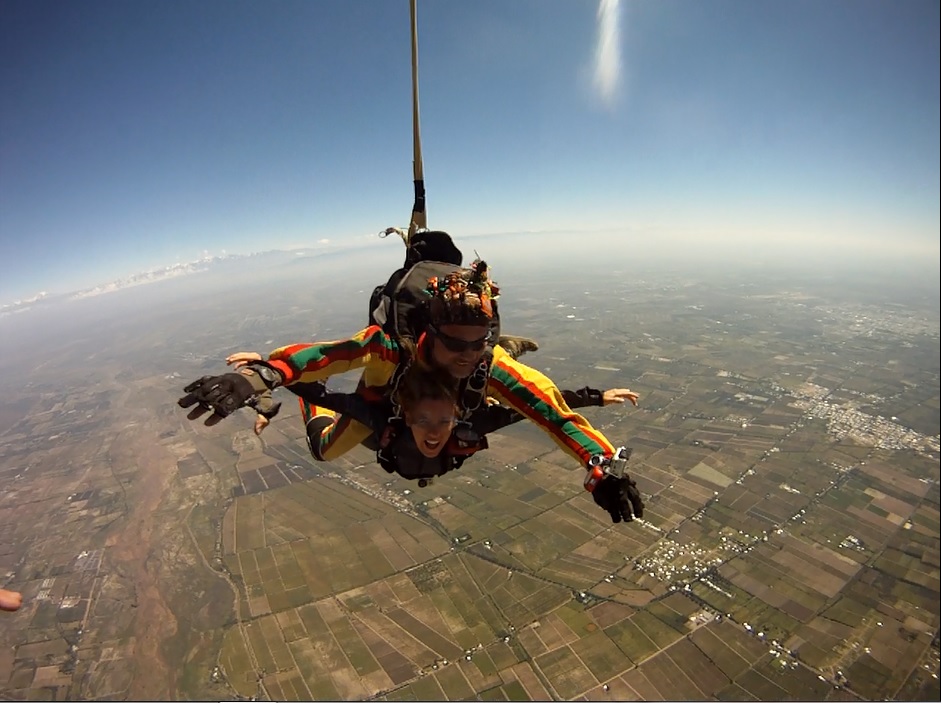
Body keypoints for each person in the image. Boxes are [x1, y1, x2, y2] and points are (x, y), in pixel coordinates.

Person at [179, 260, 644, 523]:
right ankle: (304, 399)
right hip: (380, 399)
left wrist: (602, 469)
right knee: (324, 449)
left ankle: (305, 392)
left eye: (477, 343)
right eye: (455, 343)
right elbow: (324, 355)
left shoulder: (489, 364)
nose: (466, 355)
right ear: (431, 332)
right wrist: (261, 375)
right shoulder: (391, 347)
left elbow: (551, 412)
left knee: (508, 389)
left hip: (414, 416)